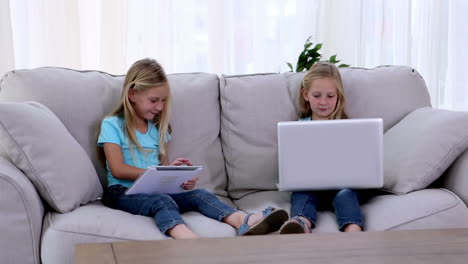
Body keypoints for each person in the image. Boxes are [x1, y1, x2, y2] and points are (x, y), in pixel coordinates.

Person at [97, 58, 288, 239]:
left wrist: (174, 175)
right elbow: (117, 168)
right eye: (154, 100)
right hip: (122, 193)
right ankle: (189, 241)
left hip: (155, 190)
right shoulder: (112, 124)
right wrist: (153, 174)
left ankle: (244, 221)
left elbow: (160, 168)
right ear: (132, 95)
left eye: (163, 101)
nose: (160, 107)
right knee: (162, 202)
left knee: (201, 194)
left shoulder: (158, 129)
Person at [279, 62, 364, 234]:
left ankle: (353, 229)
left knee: (346, 195)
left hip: (343, 186)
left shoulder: (349, 127)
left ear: (338, 96)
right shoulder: (297, 129)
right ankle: (301, 223)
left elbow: (359, 163)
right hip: (311, 186)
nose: (323, 102)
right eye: (317, 95)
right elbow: (293, 164)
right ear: (305, 94)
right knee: (302, 194)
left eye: (330, 96)